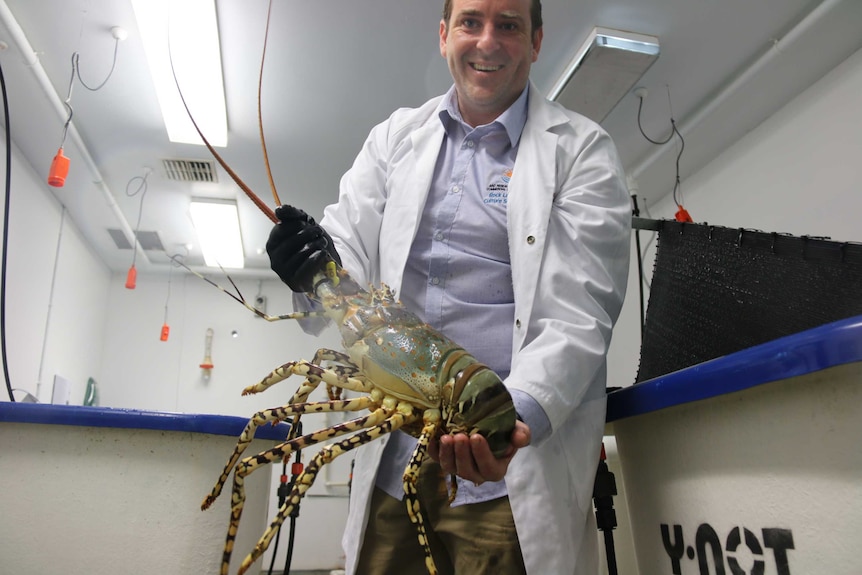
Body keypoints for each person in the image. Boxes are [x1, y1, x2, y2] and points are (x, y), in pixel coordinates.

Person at [266, 0, 631, 572]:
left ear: (536, 42)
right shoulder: (393, 139)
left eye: (508, 25)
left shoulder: (581, 152)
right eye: (470, 22)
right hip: (394, 461)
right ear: (444, 35)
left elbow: (579, 313)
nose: (487, 41)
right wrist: (310, 265)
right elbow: (347, 253)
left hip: (507, 476)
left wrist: (511, 427)